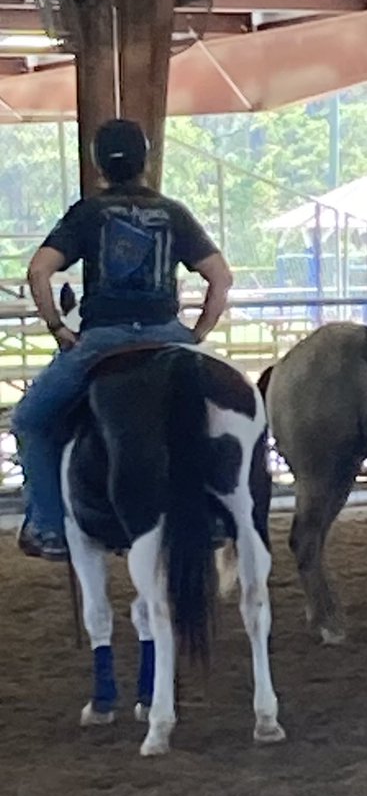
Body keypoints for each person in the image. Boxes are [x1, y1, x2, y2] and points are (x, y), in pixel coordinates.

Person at [14, 118, 234, 561]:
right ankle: (215, 513)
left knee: (30, 422)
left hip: (103, 339)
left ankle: (50, 526)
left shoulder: (88, 213)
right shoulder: (174, 212)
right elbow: (220, 278)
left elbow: (39, 270)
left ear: (99, 165)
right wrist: (196, 334)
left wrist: (59, 328)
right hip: (168, 338)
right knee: (227, 416)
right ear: (145, 162)